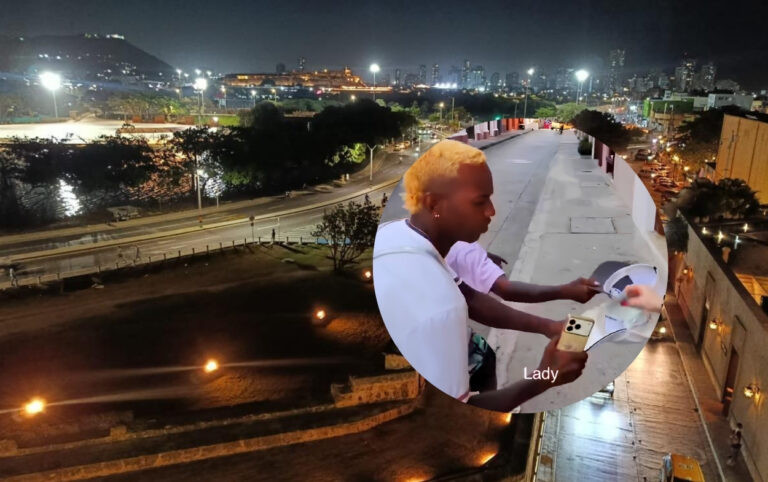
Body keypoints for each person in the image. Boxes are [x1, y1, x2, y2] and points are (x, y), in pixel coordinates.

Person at [374, 140, 587, 412]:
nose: (491, 212)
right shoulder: (442, 309)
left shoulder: (399, 234)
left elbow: (471, 298)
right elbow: (467, 408)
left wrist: (548, 326)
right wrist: (546, 377)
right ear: (434, 204)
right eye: (480, 201)